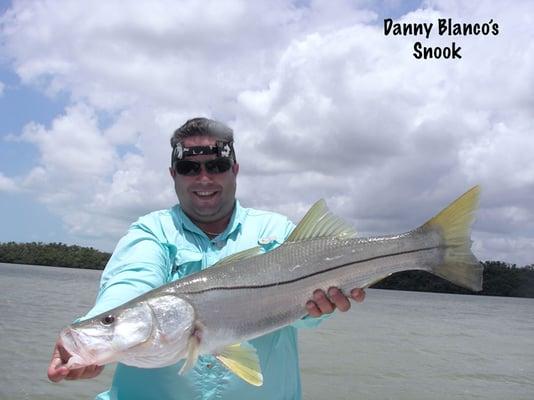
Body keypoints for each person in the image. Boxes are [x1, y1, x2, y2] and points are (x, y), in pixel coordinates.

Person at [47, 117, 366, 400]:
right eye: (189, 168)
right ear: (173, 173)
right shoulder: (152, 231)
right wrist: (95, 332)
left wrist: (317, 310)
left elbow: (311, 317)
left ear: (235, 170)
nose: (204, 179)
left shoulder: (277, 231)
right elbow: (129, 284)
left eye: (216, 166)